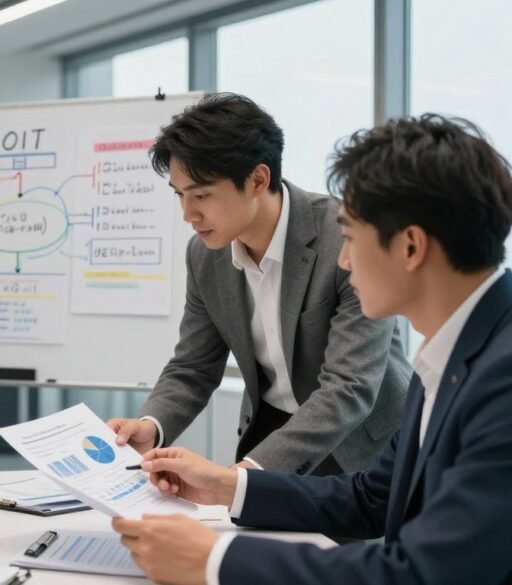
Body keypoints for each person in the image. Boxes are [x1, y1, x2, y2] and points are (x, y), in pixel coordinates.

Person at [112, 114, 512, 585]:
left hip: (351, 438)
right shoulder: (447, 360)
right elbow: (371, 500)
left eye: (352, 238)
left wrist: (216, 561)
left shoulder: (501, 382)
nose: (343, 259)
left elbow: (425, 572)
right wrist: (228, 485)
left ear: (409, 247)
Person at [108, 93, 411, 475]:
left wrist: (242, 477)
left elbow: (349, 387)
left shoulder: (346, 239)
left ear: (257, 179)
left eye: (201, 195)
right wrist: (151, 426)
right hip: (271, 431)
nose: (188, 214)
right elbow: (194, 365)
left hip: (362, 444)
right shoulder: (205, 255)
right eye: (180, 196)